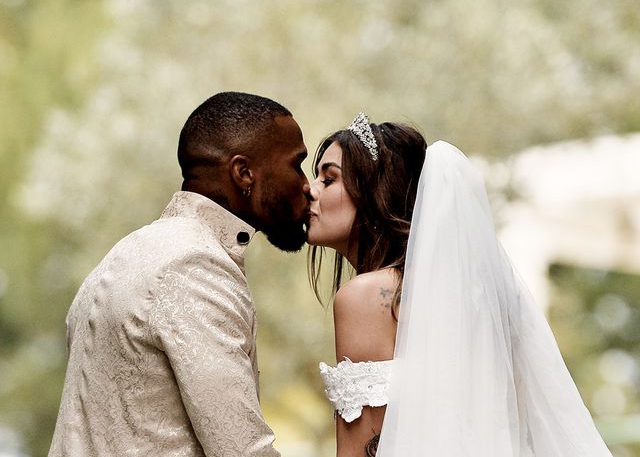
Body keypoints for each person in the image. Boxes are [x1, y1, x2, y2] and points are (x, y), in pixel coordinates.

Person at [308, 113, 613, 456]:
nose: (310, 190)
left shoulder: (364, 298)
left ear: (375, 193)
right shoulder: (459, 298)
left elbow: (358, 449)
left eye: (328, 178)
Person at [49, 91, 310, 456]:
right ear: (244, 173)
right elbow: (242, 449)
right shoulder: (194, 267)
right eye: (297, 164)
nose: (306, 185)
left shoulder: (126, 253)